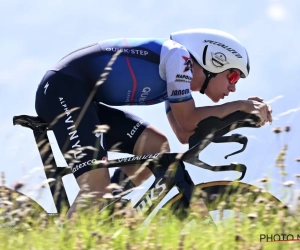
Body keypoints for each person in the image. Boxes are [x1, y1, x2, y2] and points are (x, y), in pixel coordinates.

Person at [34, 28, 272, 218]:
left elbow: (184, 132)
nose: (233, 87)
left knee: (155, 146)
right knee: (96, 188)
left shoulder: (179, 80)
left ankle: (105, 215)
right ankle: (67, 240)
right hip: (62, 89)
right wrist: (238, 106)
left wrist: (238, 117)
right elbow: (189, 119)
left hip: (80, 96)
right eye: (232, 76)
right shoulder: (179, 58)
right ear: (214, 60)